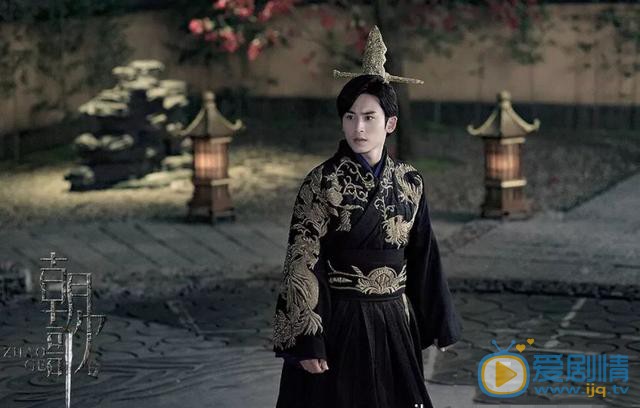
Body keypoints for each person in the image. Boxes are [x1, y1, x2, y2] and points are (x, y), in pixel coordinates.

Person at [271, 72, 463, 408]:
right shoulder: (322, 181)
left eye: (369, 117)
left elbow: (424, 255)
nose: (358, 128)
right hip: (339, 318)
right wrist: (308, 340)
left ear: (391, 123)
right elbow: (302, 260)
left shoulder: (409, 181)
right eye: (350, 117)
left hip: (393, 316)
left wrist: (439, 321)